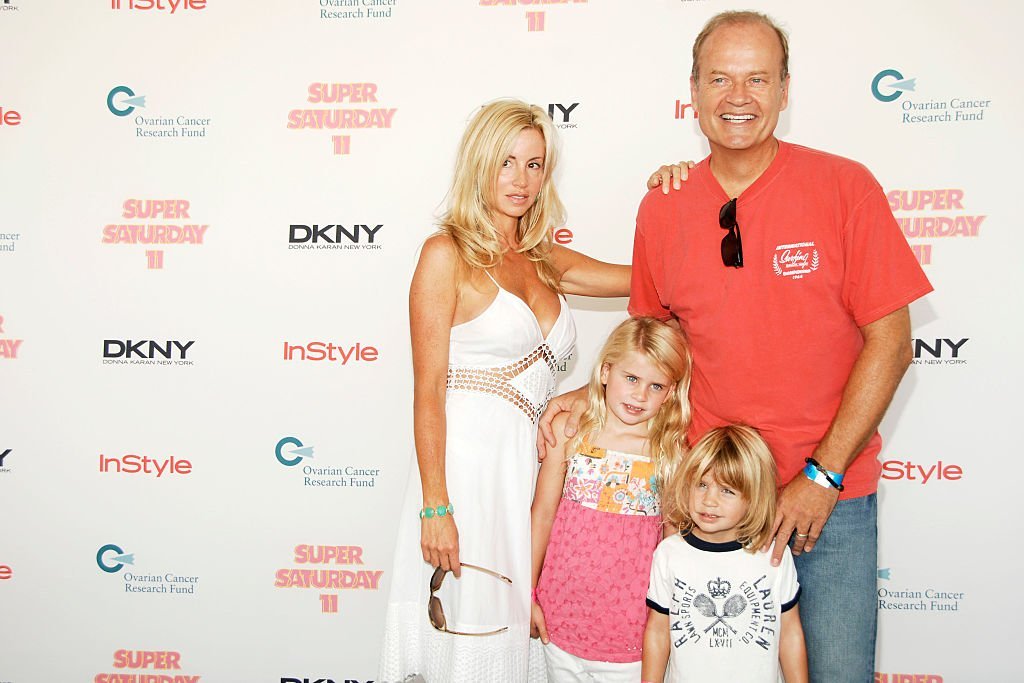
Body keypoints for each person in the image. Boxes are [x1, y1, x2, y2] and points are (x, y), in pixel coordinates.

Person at [540, 11, 933, 682]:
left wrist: (822, 474)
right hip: (704, 506)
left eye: (757, 78)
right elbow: (653, 346)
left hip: (827, 509)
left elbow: (891, 342)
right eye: (719, 78)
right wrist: (589, 390)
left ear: (785, 88)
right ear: (692, 91)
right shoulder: (664, 205)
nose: (738, 97)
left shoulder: (845, 187)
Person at [378, 99, 686, 682]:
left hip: (533, 464)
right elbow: (427, 393)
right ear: (479, 166)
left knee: (518, 628)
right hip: (468, 469)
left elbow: (655, 280)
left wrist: (679, 196)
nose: (521, 180)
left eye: (536, 164)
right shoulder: (446, 255)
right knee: (467, 628)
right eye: (507, 163)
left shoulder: (545, 259)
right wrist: (436, 506)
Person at [530, 317, 692, 681]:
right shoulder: (569, 432)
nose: (640, 395)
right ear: (605, 371)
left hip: (631, 634)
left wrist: (663, 620)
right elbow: (541, 515)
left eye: (656, 386)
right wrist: (526, 593)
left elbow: (672, 543)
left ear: (670, 392)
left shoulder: (670, 453)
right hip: (559, 621)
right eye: (631, 379)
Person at [642, 425, 807, 683]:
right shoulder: (669, 553)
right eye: (702, 485)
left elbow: (790, 633)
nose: (709, 500)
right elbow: (657, 631)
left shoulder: (772, 555)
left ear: (753, 498)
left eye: (727, 490)